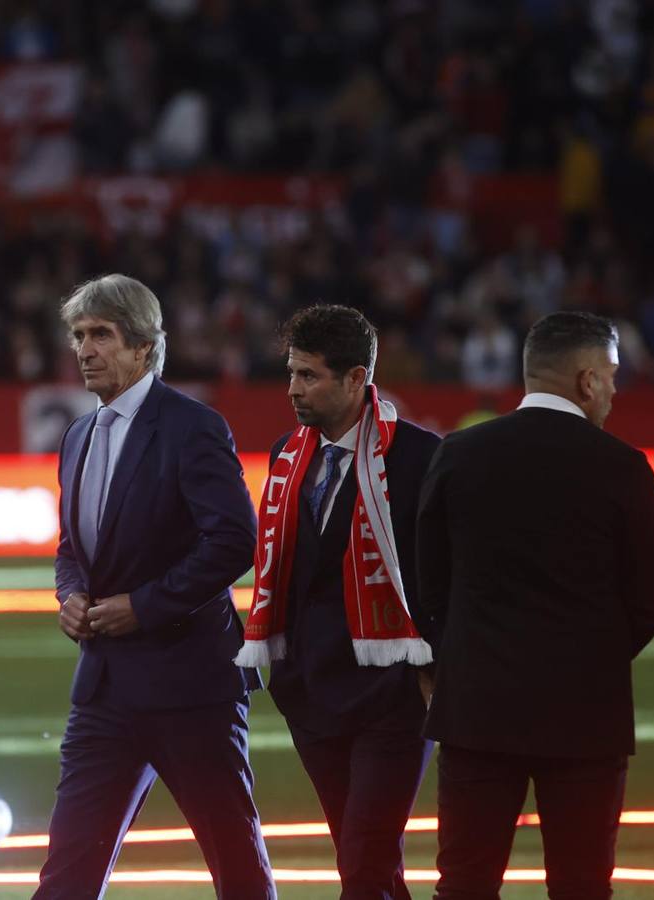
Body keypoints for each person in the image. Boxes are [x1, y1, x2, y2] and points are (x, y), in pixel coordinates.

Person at [415, 311, 654, 899]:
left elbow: (428, 582)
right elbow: (649, 600)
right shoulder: (624, 467)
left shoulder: (459, 453)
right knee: (582, 885)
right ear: (585, 381)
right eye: (609, 375)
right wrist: (595, 655)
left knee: (464, 883)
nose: (613, 389)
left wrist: (465, 650)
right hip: (587, 712)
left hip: (476, 707)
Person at [34, 274, 274, 900]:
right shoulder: (78, 435)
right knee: (65, 874)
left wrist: (142, 608)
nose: (85, 349)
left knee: (235, 867)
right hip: (103, 691)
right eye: (79, 335)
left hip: (190, 686)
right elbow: (72, 549)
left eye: (102, 335)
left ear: (144, 347)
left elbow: (231, 542)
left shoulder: (193, 426)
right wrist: (70, 596)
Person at [234, 304, 438, 899]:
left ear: (356, 380)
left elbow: (447, 572)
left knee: (364, 866)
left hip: (392, 697)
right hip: (312, 694)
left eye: (309, 376)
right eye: (292, 373)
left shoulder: (420, 458)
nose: (292, 389)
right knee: (370, 866)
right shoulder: (286, 455)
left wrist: (436, 667)